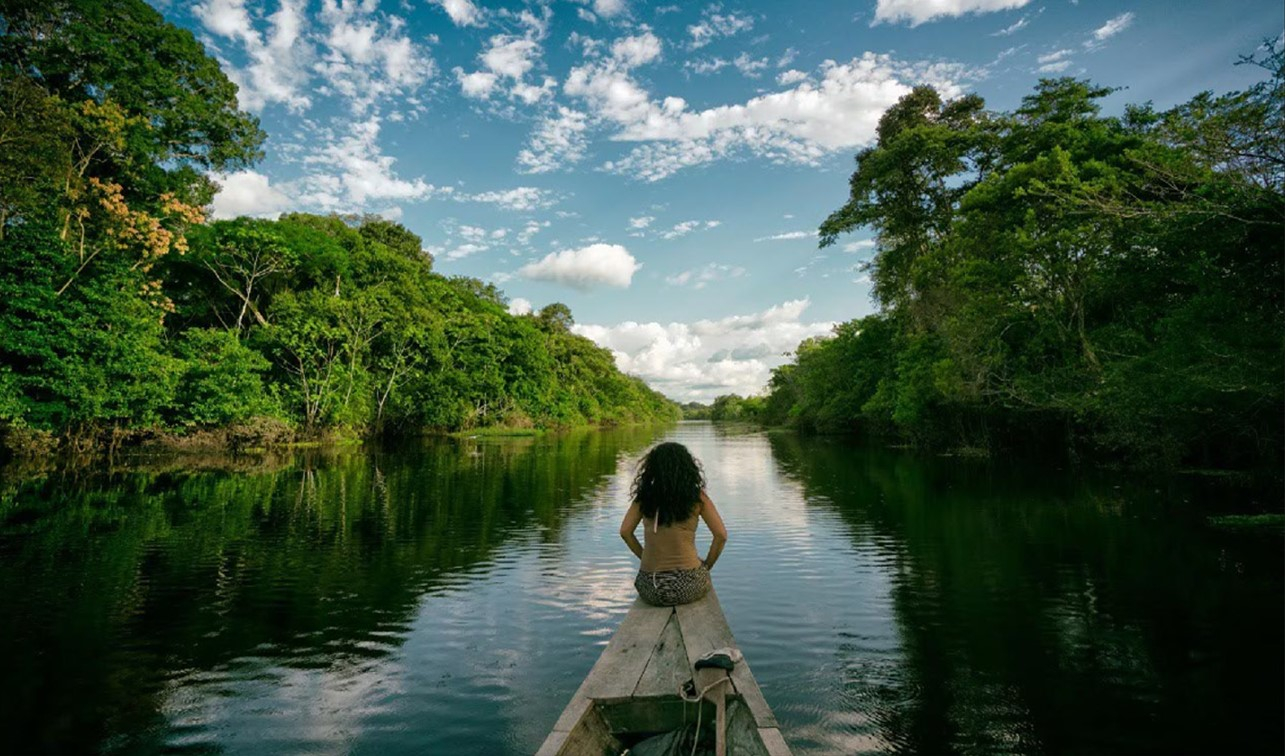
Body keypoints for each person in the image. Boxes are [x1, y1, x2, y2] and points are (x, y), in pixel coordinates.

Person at [619, 442, 728, 606]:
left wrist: (644, 557)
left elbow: (625, 532)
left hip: (651, 587)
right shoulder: (697, 497)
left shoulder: (644, 498)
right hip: (689, 585)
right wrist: (706, 567)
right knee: (701, 574)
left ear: (652, 469)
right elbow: (721, 535)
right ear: (687, 467)